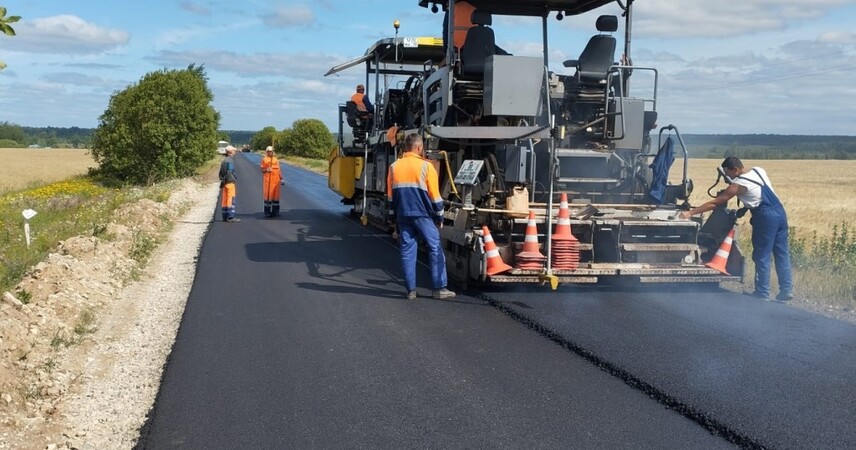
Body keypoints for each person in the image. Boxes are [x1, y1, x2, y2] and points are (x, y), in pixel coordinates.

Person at [679, 157, 793, 302]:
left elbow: (716, 203)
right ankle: (786, 291)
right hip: (780, 213)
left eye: (729, 173)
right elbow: (758, 193)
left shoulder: (739, 184)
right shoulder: (759, 171)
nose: (729, 177)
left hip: (765, 218)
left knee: (762, 255)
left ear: (736, 169)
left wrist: (690, 213)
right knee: (782, 253)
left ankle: (762, 292)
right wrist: (745, 208)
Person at [386, 133, 456, 300]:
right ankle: (439, 288)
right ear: (419, 148)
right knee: (434, 247)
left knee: (407, 250)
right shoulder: (426, 167)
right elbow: (435, 196)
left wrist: (392, 217)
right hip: (422, 215)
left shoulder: (394, 167)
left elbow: (390, 196)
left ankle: (410, 290)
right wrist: (440, 217)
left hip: (403, 215)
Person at [260, 146, 283, 217]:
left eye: (271, 151)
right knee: (268, 197)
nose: (270, 152)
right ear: (267, 152)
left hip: (276, 181)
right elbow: (262, 170)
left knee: (276, 198)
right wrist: (267, 169)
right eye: (269, 151)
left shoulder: (276, 160)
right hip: (268, 182)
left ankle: (276, 212)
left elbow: (279, 170)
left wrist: (281, 178)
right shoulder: (264, 160)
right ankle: (267, 212)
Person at [219, 146, 240, 223]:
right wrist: (234, 178)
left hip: (225, 183)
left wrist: (222, 180)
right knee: (230, 199)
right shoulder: (230, 161)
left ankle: (224, 216)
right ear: (230, 152)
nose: (234, 152)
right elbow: (230, 172)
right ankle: (230, 216)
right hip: (230, 182)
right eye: (233, 151)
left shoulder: (224, 160)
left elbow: (221, 173)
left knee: (225, 199)